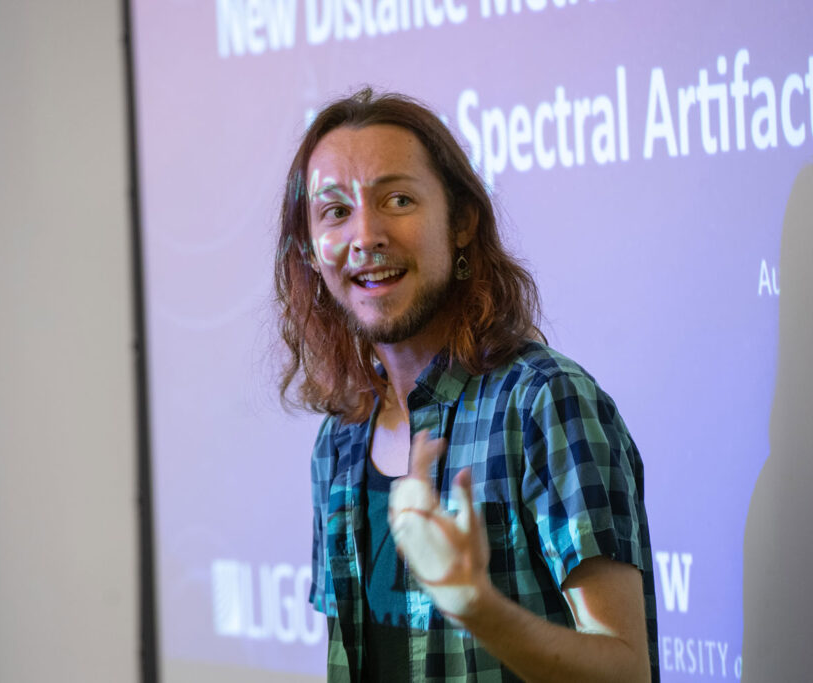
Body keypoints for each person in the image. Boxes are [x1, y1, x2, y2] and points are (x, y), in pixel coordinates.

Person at [274, 88, 658, 682]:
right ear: (311, 251)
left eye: (397, 199)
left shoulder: (543, 402)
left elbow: (625, 671)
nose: (366, 234)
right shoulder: (340, 442)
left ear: (462, 223)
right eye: (335, 212)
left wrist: (476, 606)